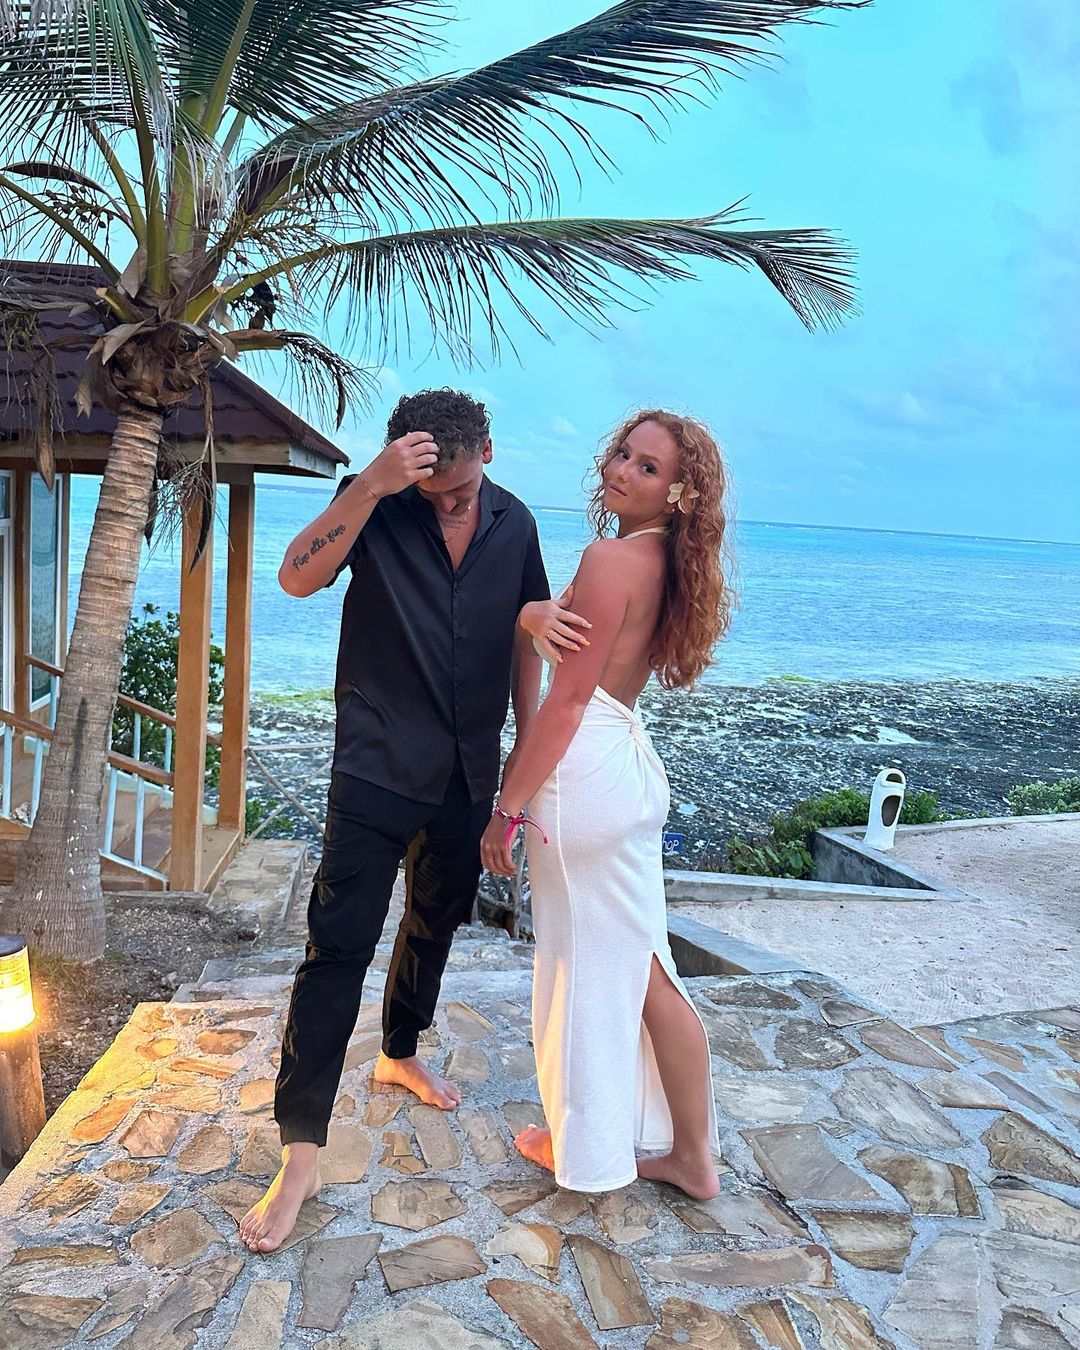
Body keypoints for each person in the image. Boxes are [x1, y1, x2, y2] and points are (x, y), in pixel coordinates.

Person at [240, 389, 549, 1253]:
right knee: (336, 949)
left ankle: (399, 1049)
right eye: (432, 491)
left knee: (435, 921)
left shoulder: (517, 524)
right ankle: (301, 1154)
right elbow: (295, 575)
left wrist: (518, 778)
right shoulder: (374, 501)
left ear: (488, 451)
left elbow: (525, 643)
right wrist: (373, 485)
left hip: (467, 771)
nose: (448, 505)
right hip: (375, 765)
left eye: (461, 489)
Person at [482, 409, 731, 1201]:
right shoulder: (666, 563)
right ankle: (688, 1154)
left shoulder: (609, 558)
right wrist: (529, 615)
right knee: (644, 966)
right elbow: (579, 659)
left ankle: (589, 1144)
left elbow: (565, 701)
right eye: (623, 453)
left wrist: (507, 807)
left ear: (680, 492)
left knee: (589, 971)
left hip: (584, 771)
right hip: (623, 761)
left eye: (647, 467)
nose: (622, 470)